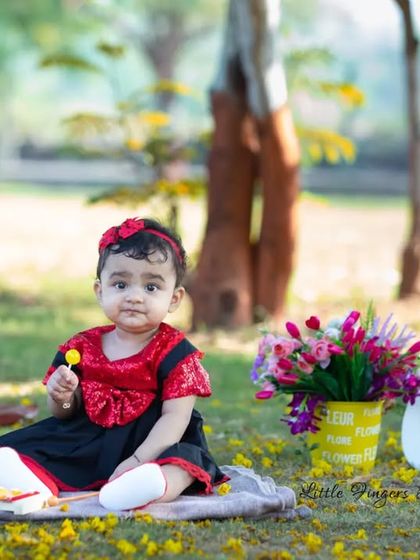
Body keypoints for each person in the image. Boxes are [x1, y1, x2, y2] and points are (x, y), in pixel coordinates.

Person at [0, 217, 226, 510]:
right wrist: (63, 396)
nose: (134, 296)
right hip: (88, 441)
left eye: (151, 287)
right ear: (100, 291)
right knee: (31, 448)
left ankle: (150, 484)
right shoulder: (79, 348)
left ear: (174, 298)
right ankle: (33, 485)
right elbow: (63, 415)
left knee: (183, 462)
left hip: (154, 442)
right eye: (120, 284)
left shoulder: (177, 355)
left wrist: (137, 461)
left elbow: (175, 419)